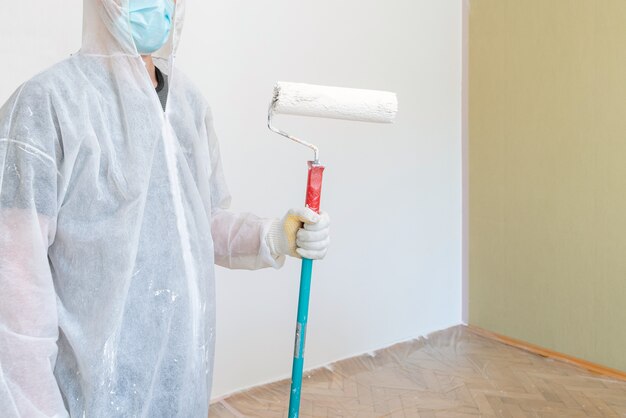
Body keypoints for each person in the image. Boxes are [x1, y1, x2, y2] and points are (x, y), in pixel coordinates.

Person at [0, 0, 330, 416]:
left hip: (181, 389)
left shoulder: (187, 105)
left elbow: (199, 223)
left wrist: (274, 236)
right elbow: (14, 306)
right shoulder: (45, 107)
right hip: (83, 399)